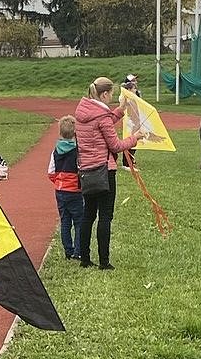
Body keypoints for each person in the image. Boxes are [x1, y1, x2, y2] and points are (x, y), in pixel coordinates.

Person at [74, 77, 145, 270]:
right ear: (104, 94)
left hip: (86, 171)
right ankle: (104, 261)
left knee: (88, 215)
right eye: (112, 94)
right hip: (104, 171)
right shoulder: (102, 116)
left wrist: (120, 110)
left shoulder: (83, 111)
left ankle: (84, 258)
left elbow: (103, 123)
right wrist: (135, 138)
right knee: (105, 216)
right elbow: (116, 145)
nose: (112, 97)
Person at [47, 115, 83, 260]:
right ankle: (78, 251)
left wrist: (58, 182)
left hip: (60, 190)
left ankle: (68, 250)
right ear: (75, 133)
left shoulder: (55, 150)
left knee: (65, 221)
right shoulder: (78, 151)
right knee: (79, 222)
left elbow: (51, 172)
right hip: (75, 190)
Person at [120, 74, 141, 170]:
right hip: (129, 121)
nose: (136, 82)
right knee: (130, 140)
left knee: (135, 140)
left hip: (135, 120)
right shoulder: (124, 96)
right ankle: (127, 163)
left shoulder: (136, 94)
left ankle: (131, 160)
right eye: (133, 81)